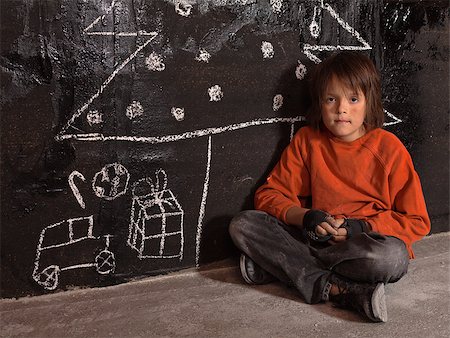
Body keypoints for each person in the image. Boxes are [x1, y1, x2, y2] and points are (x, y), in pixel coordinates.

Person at [228, 51, 431, 323]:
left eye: (353, 99)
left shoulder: (389, 149)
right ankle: (340, 289)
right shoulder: (308, 141)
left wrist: (362, 227)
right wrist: (307, 216)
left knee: (392, 258)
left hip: (361, 245)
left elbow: (416, 221)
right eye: (331, 99)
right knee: (243, 225)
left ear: (369, 103)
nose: (341, 109)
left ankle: (282, 268)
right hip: (316, 239)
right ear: (320, 104)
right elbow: (269, 194)